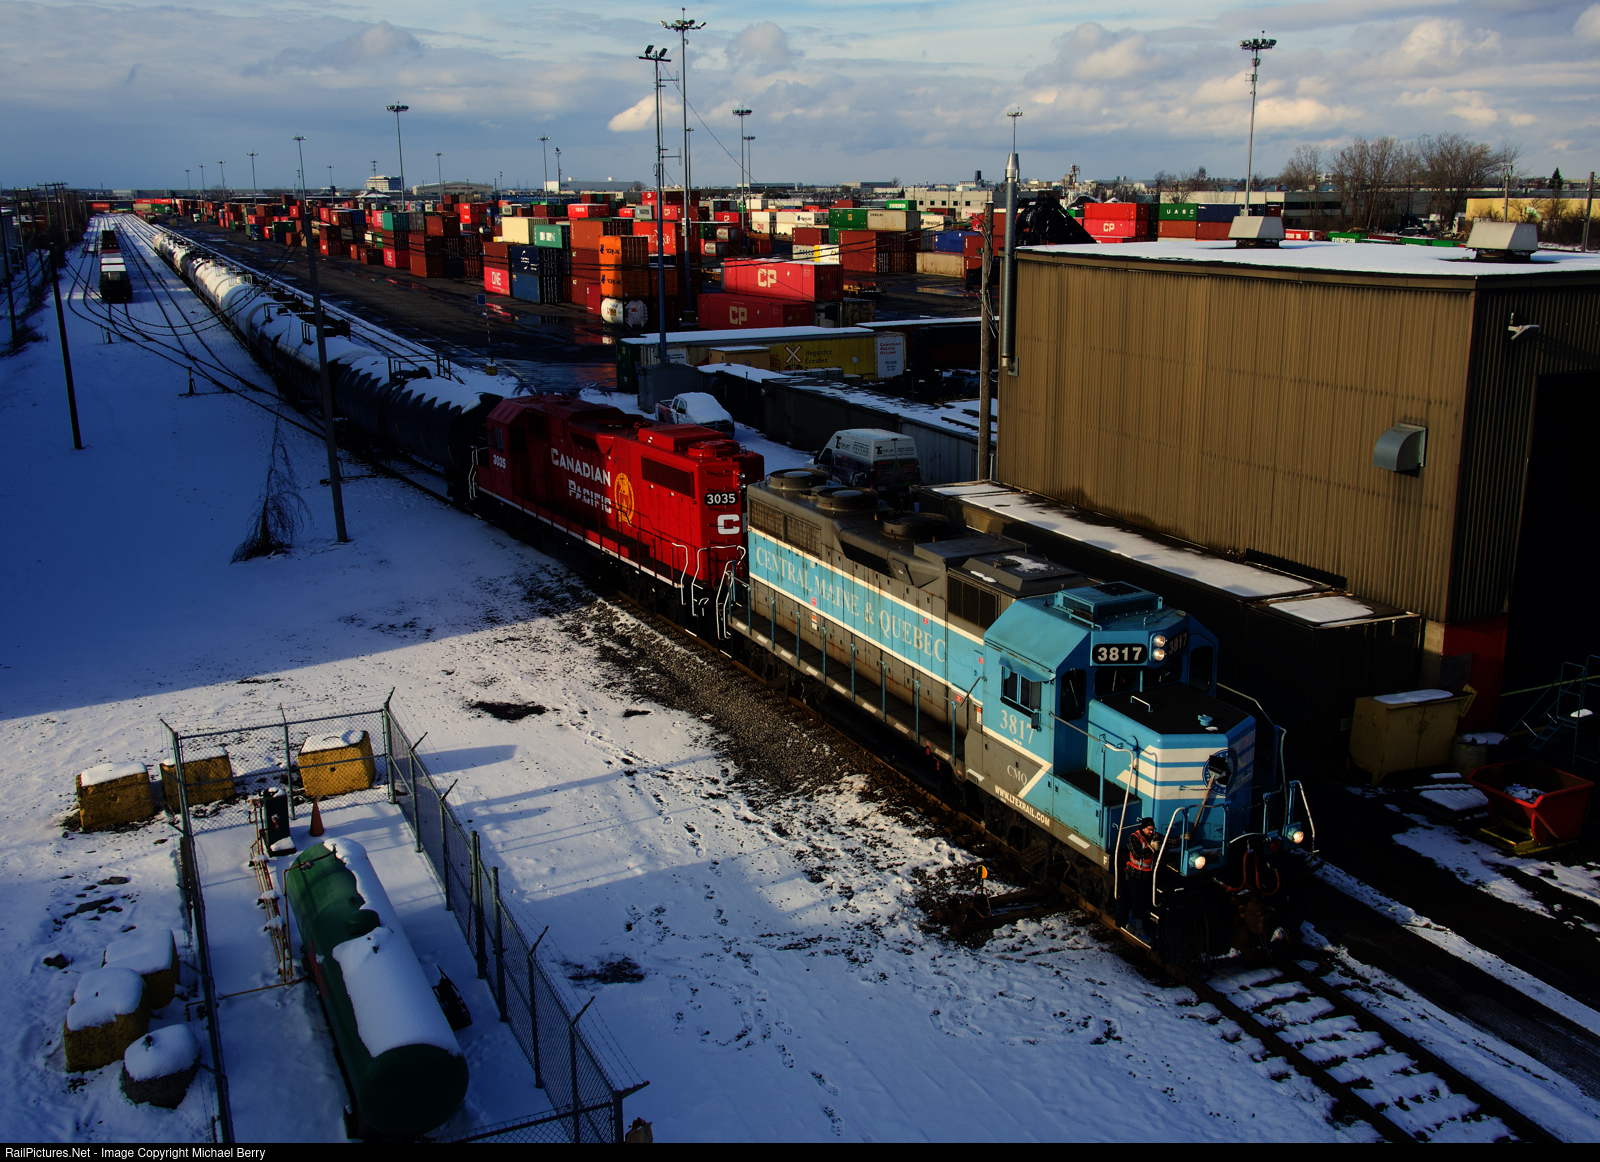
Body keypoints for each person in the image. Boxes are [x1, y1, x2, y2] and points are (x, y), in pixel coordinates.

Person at [1116, 817, 1160, 940]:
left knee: (1143, 901)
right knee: (1137, 902)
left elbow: (1168, 840)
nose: (1151, 832)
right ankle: (1138, 929)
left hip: (1147, 874)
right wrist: (1151, 848)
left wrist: (1182, 838)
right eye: (1149, 830)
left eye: (1153, 830)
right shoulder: (1133, 838)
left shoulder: (1154, 836)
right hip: (1135, 875)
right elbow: (1137, 854)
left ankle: (1131, 923)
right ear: (1143, 828)